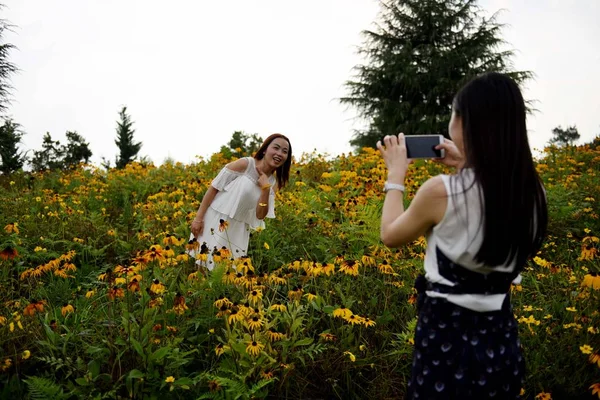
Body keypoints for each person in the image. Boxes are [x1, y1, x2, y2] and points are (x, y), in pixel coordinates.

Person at [377, 72, 548, 399]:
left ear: (465, 123)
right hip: (501, 342)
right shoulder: (532, 192)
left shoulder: (440, 191)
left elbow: (390, 234)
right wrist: (467, 162)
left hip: (445, 343)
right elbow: (485, 198)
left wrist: (395, 176)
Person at [189, 133, 292, 269]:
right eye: (276, 148)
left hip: (239, 232)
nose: (279, 153)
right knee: (200, 268)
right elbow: (214, 188)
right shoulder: (245, 164)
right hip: (215, 221)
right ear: (265, 149)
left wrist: (265, 189)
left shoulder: (274, 183)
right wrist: (198, 219)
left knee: (227, 275)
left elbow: (260, 215)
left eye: (285, 151)